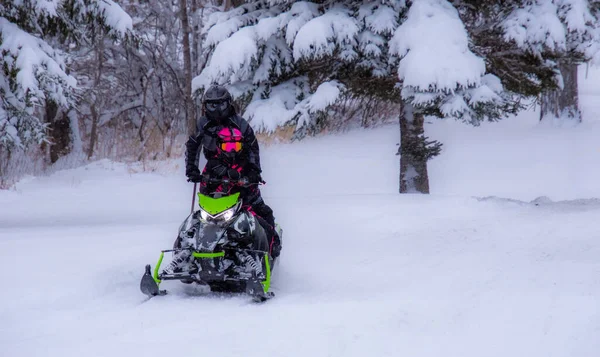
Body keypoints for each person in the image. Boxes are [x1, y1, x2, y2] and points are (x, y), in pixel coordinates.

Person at [185, 84, 281, 258]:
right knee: (202, 215)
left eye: (220, 104)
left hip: (242, 173)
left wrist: (253, 171)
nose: (217, 109)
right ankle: (186, 249)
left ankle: (271, 245)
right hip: (213, 174)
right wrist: (191, 169)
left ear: (228, 103)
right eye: (212, 105)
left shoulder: (240, 124)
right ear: (205, 106)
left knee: (260, 210)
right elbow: (192, 146)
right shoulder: (203, 124)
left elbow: (253, 148)